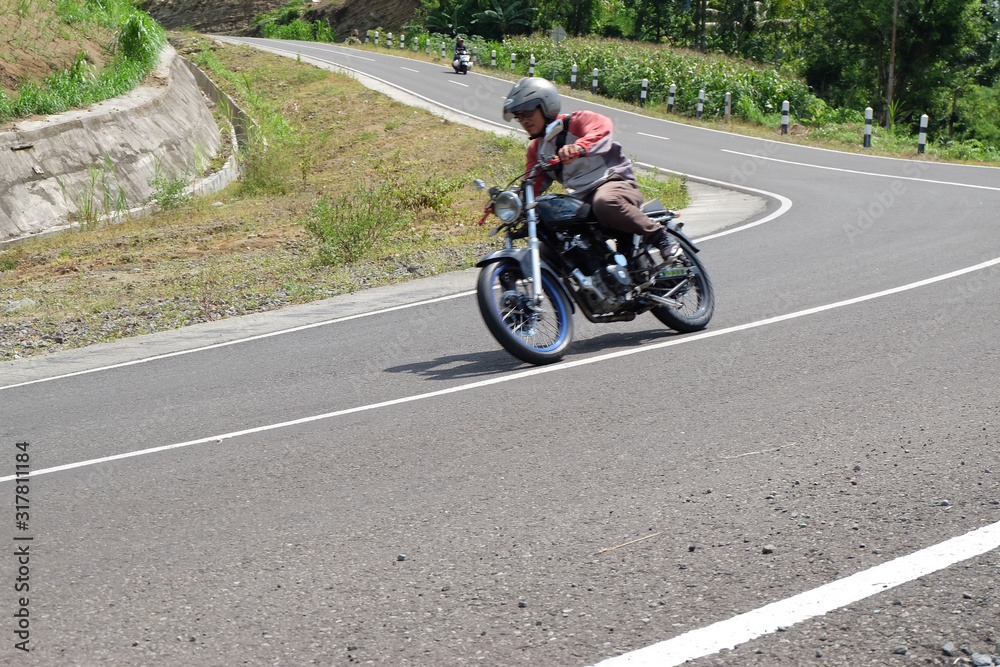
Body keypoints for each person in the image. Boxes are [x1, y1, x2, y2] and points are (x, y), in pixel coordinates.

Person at [502, 77, 681, 262]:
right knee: (547, 250)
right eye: (519, 116)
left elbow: (602, 128)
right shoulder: (536, 150)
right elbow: (532, 183)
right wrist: (509, 202)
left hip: (613, 183)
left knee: (605, 202)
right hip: (581, 201)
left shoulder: (576, 121)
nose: (524, 120)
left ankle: (660, 236)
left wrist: (579, 147)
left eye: (528, 112)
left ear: (546, 105)